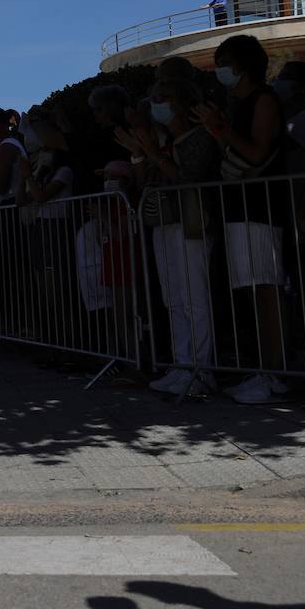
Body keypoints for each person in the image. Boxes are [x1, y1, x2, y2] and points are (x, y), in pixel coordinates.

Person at [192, 34, 289, 404]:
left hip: (260, 207)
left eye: (223, 62)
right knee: (251, 289)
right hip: (238, 206)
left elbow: (255, 152)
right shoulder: (236, 104)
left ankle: (276, 371)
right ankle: (263, 368)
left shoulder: (263, 100)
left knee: (266, 288)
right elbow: (230, 151)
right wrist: (218, 129)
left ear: (243, 66)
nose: (218, 69)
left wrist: (219, 127)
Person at [119, 78, 221, 396]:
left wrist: (151, 152)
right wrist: (142, 153)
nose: (156, 104)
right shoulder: (161, 139)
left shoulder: (199, 138)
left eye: (163, 97)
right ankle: (183, 364)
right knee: (173, 299)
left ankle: (203, 370)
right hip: (163, 222)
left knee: (194, 298)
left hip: (191, 223)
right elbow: (147, 179)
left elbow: (187, 178)